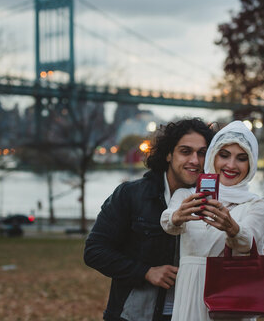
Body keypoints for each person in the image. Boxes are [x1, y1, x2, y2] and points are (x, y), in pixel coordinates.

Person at [84, 118, 214, 321]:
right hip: (134, 316)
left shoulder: (214, 202)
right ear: (169, 154)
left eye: (202, 153)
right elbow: (94, 251)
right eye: (185, 151)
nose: (195, 161)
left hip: (192, 314)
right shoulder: (131, 194)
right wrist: (145, 272)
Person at [160, 120, 264, 321]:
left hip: (230, 296)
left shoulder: (255, 204)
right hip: (190, 292)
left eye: (242, 158)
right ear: (213, 156)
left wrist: (233, 228)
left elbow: (249, 243)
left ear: (251, 163)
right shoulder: (188, 195)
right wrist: (177, 216)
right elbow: (168, 222)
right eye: (224, 155)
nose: (231, 165)